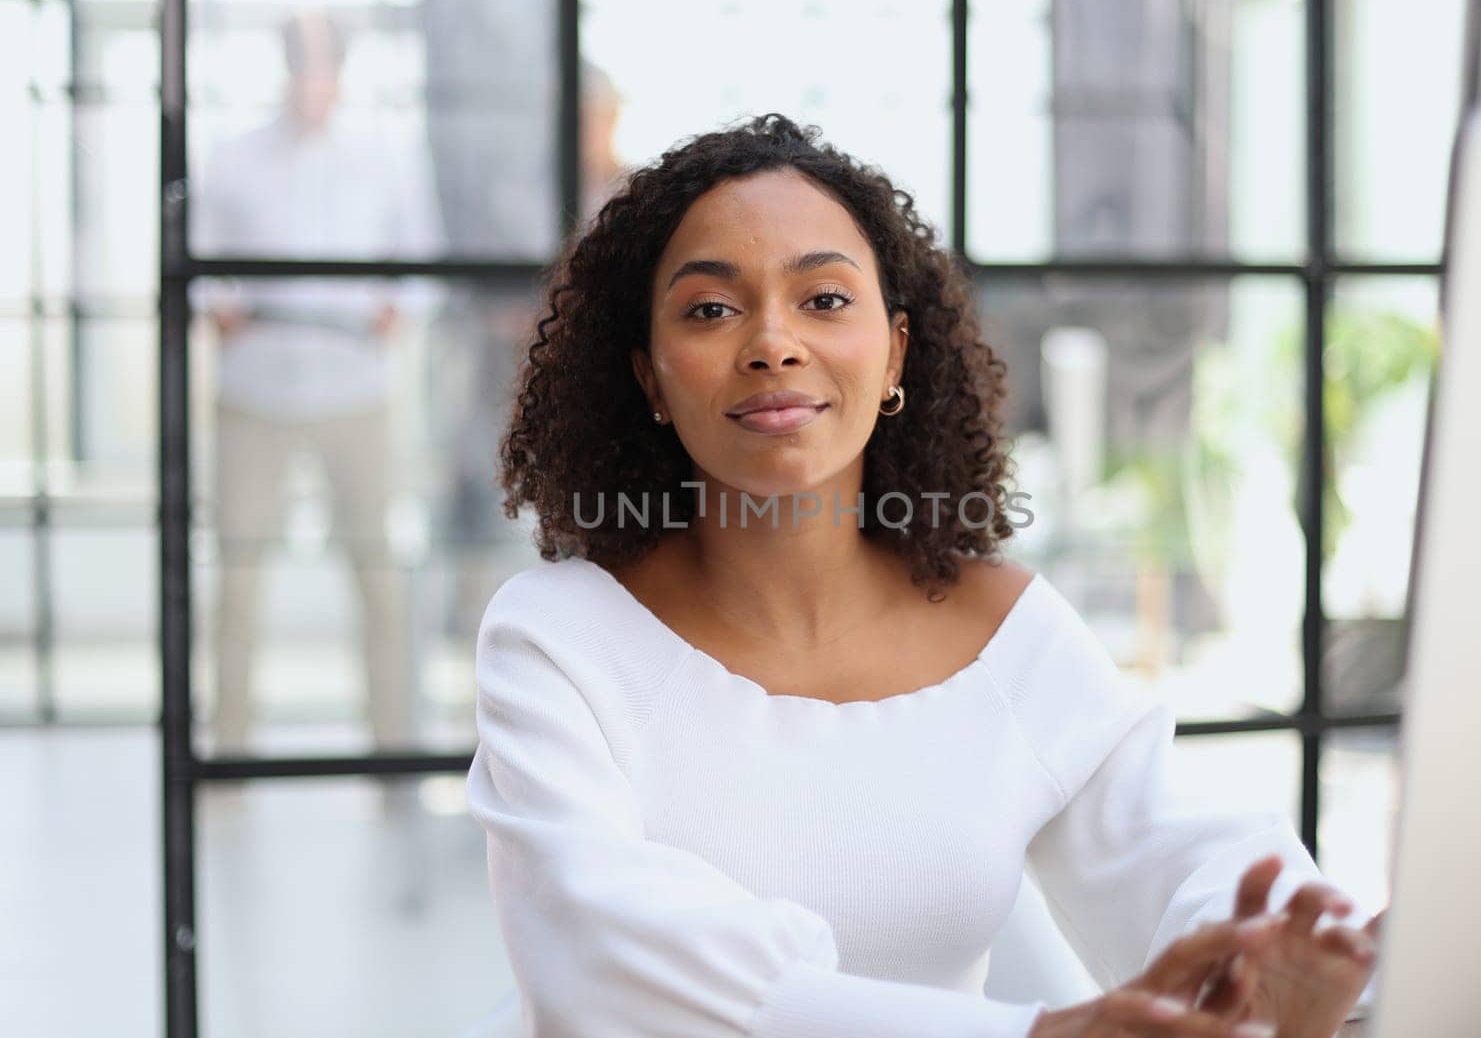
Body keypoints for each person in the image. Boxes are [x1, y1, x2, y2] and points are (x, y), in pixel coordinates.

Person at [467, 114, 1382, 1037]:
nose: (773, 343)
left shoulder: (1010, 635)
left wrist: (1302, 953)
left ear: (897, 352)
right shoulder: (559, 639)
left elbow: (1182, 852)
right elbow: (605, 957)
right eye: (711, 308)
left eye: (824, 299)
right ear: (650, 378)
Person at [193, 10, 442, 753]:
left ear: (342, 71)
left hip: (355, 393)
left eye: (323, 66)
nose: (312, 83)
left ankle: (394, 748)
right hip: (255, 394)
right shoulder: (233, 158)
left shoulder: (384, 159)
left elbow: (422, 266)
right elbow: (198, 263)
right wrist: (220, 309)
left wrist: (396, 311)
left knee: (377, 575)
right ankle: (230, 754)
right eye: (299, 66)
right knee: (237, 578)